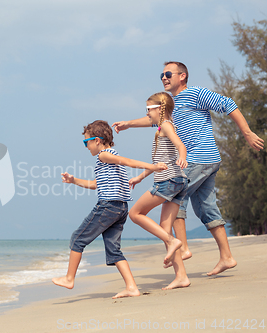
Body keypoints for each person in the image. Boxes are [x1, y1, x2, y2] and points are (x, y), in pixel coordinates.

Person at [113, 61, 264, 276]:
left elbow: (228, 104)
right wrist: (128, 123)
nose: (164, 78)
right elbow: (156, 119)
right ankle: (227, 257)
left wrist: (247, 133)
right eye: (161, 75)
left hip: (198, 158)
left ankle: (182, 248)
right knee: (206, 208)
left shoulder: (195, 93)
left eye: (168, 74)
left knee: (174, 199)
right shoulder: (172, 105)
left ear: (182, 76)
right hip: (207, 161)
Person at [52, 120, 167, 298]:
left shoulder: (104, 156)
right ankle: (131, 287)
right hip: (120, 208)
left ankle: (69, 278)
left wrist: (152, 167)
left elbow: (128, 161)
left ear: (97, 140)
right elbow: (95, 184)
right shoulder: (109, 158)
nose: (86, 146)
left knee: (77, 239)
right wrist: (74, 181)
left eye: (86, 142)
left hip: (108, 206)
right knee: (113, 250)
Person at [128, 92, 190, 290]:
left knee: (135, 213)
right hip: (178, 181)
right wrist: (140, 177)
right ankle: (181, 276)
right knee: (164, 228)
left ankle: (172, 241)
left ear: (159, 109)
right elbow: (159, 162)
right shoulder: (163, 127)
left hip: (168, 182)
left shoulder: (166, 126)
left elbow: (180, 145)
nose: (147, 114)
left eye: (148, 110)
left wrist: (182, 157)